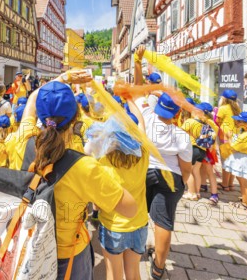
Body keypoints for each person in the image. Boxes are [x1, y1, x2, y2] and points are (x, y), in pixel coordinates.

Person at [20, 75, 137, 279]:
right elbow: (131, 208)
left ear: (39, 116)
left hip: (29, 243)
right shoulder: (85, 166)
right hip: (69, 254)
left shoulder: (21, 142)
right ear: (76, 118)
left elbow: (31, 102)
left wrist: (61, 79)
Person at [132, 47, 192, 280]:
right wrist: (182, 183)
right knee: (163, 222)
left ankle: (136, 251)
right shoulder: (182, 136)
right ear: (176, 114)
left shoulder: (146, 117)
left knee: (140, 216)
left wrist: (138, 61)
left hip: (144, 172)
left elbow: (137, 89)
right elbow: (186, 168)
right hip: (170, 177)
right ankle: (158, 267)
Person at [97, 100, 149, 280]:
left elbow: (97, 202)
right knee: (134, 274)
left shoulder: (103, 162)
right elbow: (141, 124)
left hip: (113, 225)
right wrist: (130, 100)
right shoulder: (144, 154)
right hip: (139, 223)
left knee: (114, 274)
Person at [215, 89, 241, 192]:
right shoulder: (238, 109)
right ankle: (230, 184)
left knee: (225, 161)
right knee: (232, 161)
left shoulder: (223, 108)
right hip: (235, 137)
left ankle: (224, 184)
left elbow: (217, 121)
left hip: (225, 137)